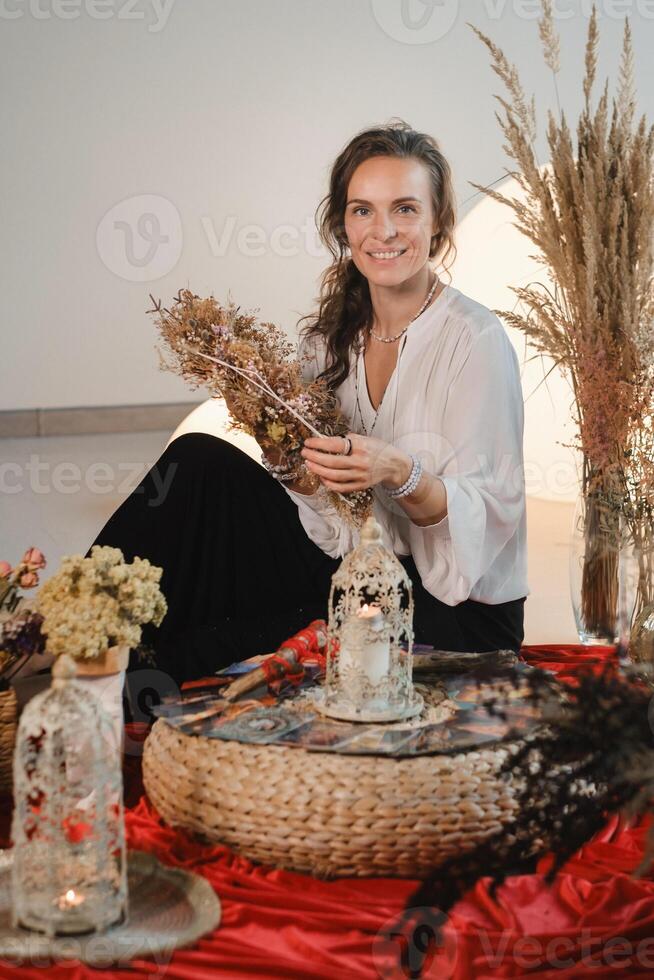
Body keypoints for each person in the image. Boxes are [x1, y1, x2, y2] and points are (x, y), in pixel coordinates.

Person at [90, 120, 529, 684]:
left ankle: (152, 670)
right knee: (201, 460)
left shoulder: (476, 339)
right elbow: (336, 528)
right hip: (359, 569)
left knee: (220, 643)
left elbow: (489, 518)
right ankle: (80, 625)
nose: (383, 231)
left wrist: (398, 472)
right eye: (362, 210)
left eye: (405, 209)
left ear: (439, 221)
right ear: (342, 225)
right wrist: (300, 476)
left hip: (454, 611)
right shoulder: (329, 341)